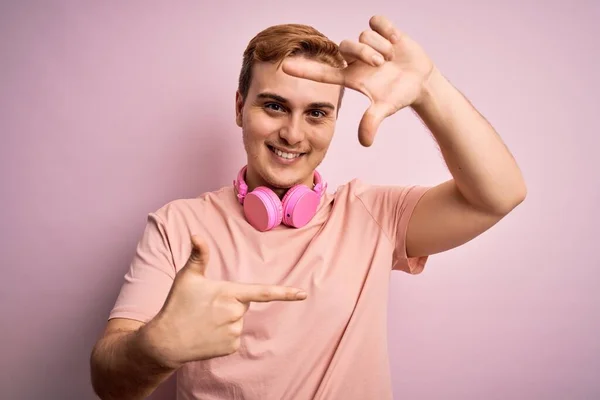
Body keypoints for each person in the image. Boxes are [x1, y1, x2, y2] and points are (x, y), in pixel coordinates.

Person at [90, 15, 526, 400]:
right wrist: (155, 347)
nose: (293, 135)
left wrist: (429, 88)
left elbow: (499, 195)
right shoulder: (177, 226)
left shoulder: (372, 214)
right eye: (275, 106)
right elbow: (110, 384)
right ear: (240, 108)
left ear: (334, 120)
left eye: (316, 113)